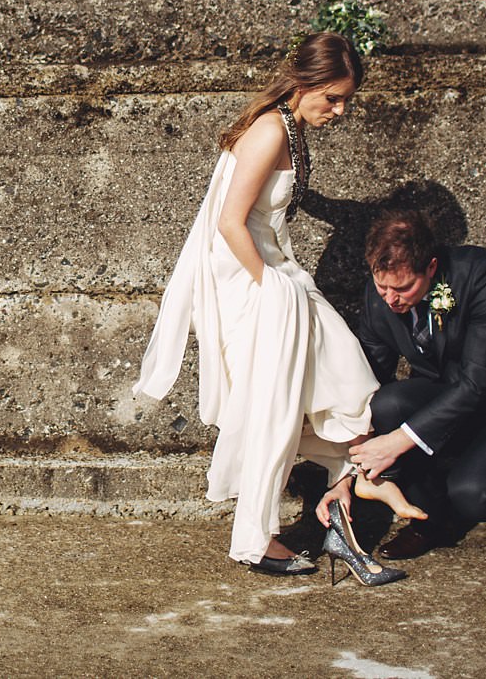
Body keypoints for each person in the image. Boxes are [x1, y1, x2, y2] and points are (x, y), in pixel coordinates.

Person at [134, 32, 420, 581]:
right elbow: (229, 221)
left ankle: (347, 486)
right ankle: (255, 539)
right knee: (275, 405)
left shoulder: (286, 127)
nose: (339, 111)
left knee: (343, 381)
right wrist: (270, 285)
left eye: (346, 101)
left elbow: (277, 198)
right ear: (304, 82)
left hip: (278, 276)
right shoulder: (269, 130)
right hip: (257, 283)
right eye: (333, 98)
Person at [321, 208, 486, 561]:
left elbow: (479, 381)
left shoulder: (485, 276)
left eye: (403, 288)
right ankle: (431, 522)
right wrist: (345, 477)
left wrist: (397, 442)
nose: (390, 299)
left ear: (430, 268)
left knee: (473, 494)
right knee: (385, 405)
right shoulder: (379, 296)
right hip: (449, 399)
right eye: (382, 286)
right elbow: (366, 384)